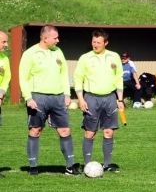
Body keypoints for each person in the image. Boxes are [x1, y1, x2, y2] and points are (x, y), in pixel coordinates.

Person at [19, 25, 79, 176]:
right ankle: (33, 166)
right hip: (38, 98)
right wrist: (28, 98)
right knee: (35, 130)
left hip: (58, 98)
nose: (58, 41)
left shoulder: (58, 52)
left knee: (65, 130)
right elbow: (23, 78)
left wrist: (66, 94)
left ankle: (70, 167)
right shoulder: (30, 54)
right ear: (45, 38)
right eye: (55, 38)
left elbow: (64, 74)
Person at [74, 29, 124, 172]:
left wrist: (120, 99)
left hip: (110, 98)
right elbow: (78, 78)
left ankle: (107, 164)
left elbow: (119, 78)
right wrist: (81, 99)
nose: (95, 45)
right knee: (90, 132)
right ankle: (88, 165)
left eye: (98, 42)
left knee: (109, 132)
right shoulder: (85, 58)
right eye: (93, 41)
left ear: (106, 43)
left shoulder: (114, 56)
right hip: (91, 98)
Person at [0, 31, 9, 177]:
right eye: (4, 42)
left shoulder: (4, 59)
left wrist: (1, 95)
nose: (6, 45)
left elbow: (7, 78)